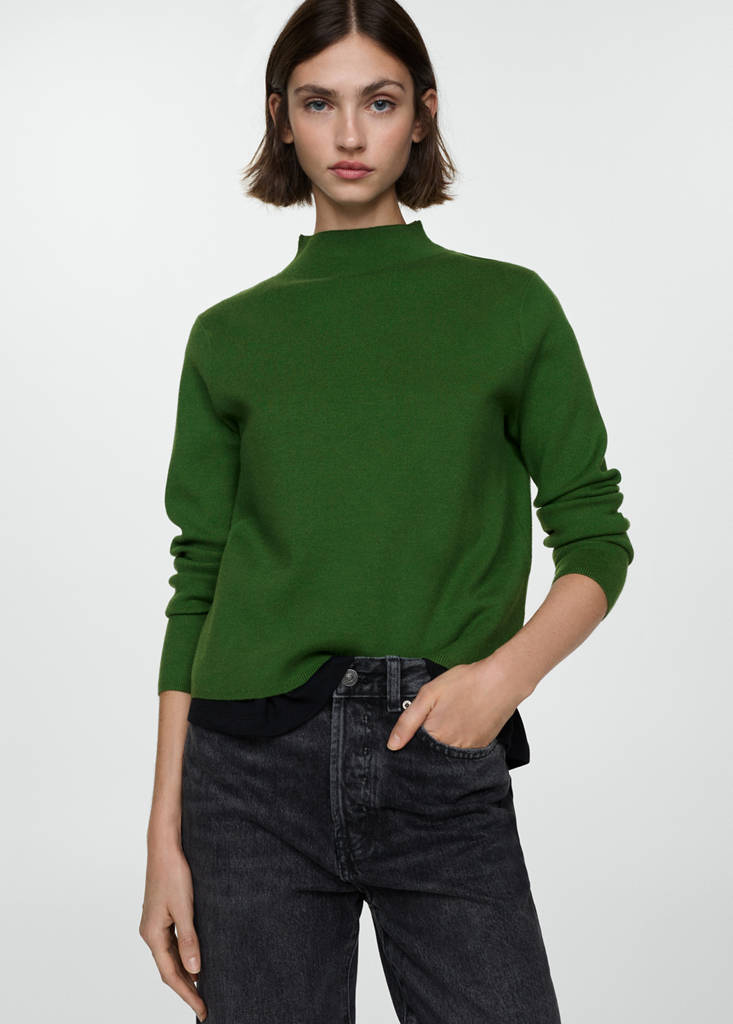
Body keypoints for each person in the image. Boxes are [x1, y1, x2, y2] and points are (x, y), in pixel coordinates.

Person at [139, 2, 634, 1021]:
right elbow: (200, 579)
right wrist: (163, 837)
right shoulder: (228, 337)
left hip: (438, 751)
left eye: (379, 101)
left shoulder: (509, 308)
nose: (350, 134)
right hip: (247, 777)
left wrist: (496, 684)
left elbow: (594, 536)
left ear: (423, 115)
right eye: (318, 103)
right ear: (281, 119)